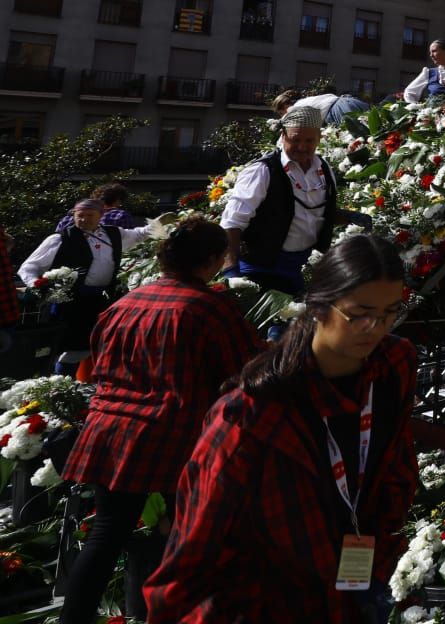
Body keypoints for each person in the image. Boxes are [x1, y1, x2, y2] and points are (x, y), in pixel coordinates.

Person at [145, 235, 417, 624]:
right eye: (358, 313)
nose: (374, 328)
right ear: (319, 305)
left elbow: (397, 460)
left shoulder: (393, 365)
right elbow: (196, 544)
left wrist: (384, 549)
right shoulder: (250, 414)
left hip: (361, 577)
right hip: (275, 600)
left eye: (390, 312)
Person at [59, 218, 262, 624]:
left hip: (109, 429)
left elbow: (98, 360)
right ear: (212, 260)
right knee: (188, 537)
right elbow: (247, 369)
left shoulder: (125, 303)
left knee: (106, 534)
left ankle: (73, 620)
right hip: (172, 434)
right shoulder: (209, 306)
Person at [220, 105, 370, 298]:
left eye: (309, 140)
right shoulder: (263, 171)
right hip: (260, 271)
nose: (302, 146)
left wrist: (349, 217)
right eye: (295, 139)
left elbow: (313, 212)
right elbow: (231, 223)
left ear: (319, 138)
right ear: (283, 136)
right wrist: (231, 272)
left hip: (299, 269)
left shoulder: (324, 170)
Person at [18, 198, 157, 355]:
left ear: (101, 215)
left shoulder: (114, 234)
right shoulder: (60, 239)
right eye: (80, 215)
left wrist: (162, 223)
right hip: (71, 303)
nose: (84, 219)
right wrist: (37, 284)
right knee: (69, 347)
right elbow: (28, 267)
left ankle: (89, 378)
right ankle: (61, 377)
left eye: (90, 215)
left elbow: (140, 234)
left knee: (99, 346)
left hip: (104, 300)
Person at [54, 183, 146, 233]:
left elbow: (56, 239)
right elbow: (128, 242)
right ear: (118, 200)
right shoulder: (120, 216)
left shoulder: (68, 217)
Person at [271, 87, 370, 127]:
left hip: (339, 111)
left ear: (285, 106)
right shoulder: (305, 101)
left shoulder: (295, 108)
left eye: (281, 113)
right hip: (350, 102)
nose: (282, 116)